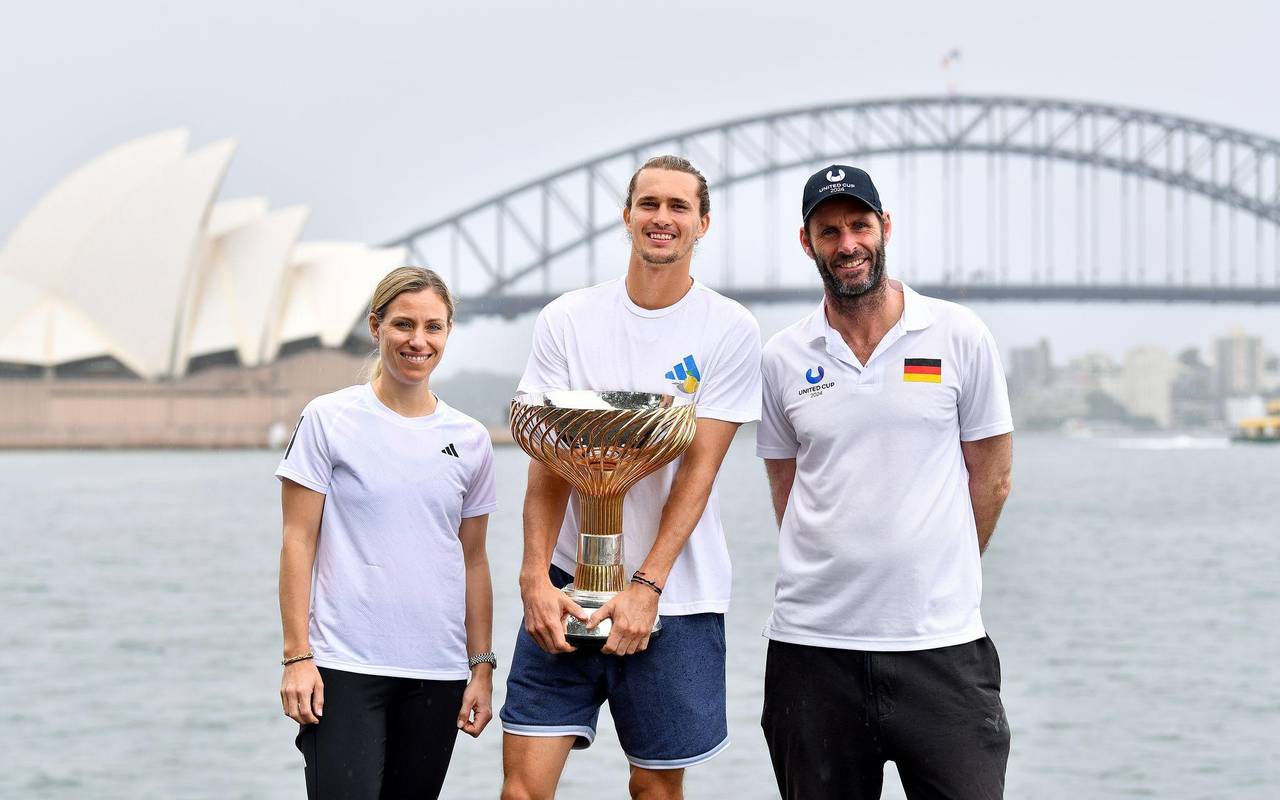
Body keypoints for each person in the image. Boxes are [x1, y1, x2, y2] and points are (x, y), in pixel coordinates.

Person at [499, 155, 762, 800]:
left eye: (678, 207)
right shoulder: (567, 319)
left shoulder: (729, 328)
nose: (662, 218)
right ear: (626, 215)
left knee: (653, 790)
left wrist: (647, 586)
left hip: (675, 593)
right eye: (649, 204)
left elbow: (698, 473)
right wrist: (534, 576)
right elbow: (547, 461)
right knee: (521, 790)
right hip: (566, 581)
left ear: (703, 223)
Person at [756, 165, 1015, 800]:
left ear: (885, 227)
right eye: (829, 231)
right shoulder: (782, 357)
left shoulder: (958, 335)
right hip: (812, 651)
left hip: (942, 647)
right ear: (807, 242)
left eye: (860, 225)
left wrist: (936, 564)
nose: (848, 244)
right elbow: (787, 488)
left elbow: (993, 477)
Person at [276, 266, 498, 799]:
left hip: (437, 671)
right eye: (403, 324)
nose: (418, 341)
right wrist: (297, 656)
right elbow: (297, 542)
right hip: (343, 666)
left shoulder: (471, 439)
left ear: (448, 332)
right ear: (376, 327)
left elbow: (472, 559)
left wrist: (482, 667)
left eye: (433, 327)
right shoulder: (328, 419)